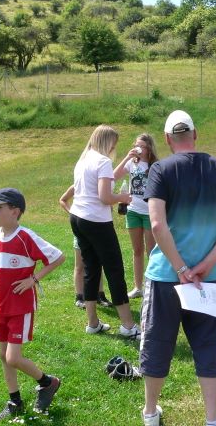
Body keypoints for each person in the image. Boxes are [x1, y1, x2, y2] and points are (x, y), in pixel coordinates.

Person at [140, 110, 216, 426]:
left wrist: (181, 267)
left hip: (165, 277)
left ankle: (150, 414)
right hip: (210, 278)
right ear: (195, 135)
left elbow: (157, 225)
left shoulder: (160, 169)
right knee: (208, 347)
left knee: (157, 344)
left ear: (167, 139)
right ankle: (212, 419)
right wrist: (205, 265)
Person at [0, 187, 65, 420]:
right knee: (3, 354)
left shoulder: (25, 237)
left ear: (15, 212)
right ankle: (14, 401)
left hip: (20, 307)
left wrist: (33, 279)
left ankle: (48, 382)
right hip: (0, 305)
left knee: (13, 358)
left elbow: (58, 257)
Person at [68, 125, 140, 339]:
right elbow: (105, 197)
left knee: (91, 269)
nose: (113, 148)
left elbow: (103, 184)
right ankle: (128, 326)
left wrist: (125, 159)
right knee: (115, 270)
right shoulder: (102, 161)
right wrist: (122, 198)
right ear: (107, 142)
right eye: (114, 144)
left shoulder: (84, 160)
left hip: (77, 218)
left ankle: (93, 323)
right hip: (96, 221)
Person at [113, 133, 159, 299]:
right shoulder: (132, 163)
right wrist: (127, 157)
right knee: (137, 250)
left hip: (149, 212)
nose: (138, 149)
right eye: (136, 145)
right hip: (133, 211)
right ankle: (138, 287)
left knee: (151, 251)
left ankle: (152, 286)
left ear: (149, 149)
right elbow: (113, 176)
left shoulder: (155, 166)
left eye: (141, 146)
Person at [59, 185, 113, 308]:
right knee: (80, 265)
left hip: (98, 229)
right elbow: (63, 199)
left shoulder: (101, 186)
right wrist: (72, 213)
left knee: (98, 263)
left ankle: (100, 295)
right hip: (82, 230)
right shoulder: (78, 185)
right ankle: (79, 296)